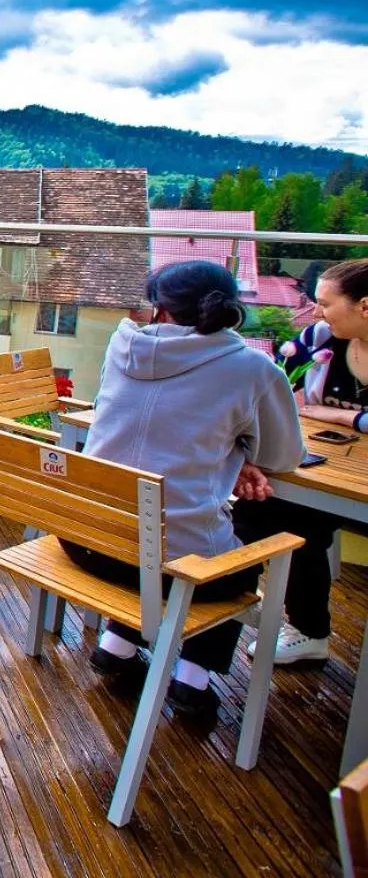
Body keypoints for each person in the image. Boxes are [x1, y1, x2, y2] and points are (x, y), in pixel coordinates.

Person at [63, 260, 303, 716]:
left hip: (86, 542)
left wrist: (233, 457)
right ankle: (194, 677)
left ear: (160, 309)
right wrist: (242, 455)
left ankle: (117, 644)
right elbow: (282, 457)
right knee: (237, 542)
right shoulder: (252, 369)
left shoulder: (122, 345)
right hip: (165, 569)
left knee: (146, 520)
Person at [234, 257, 368, 665]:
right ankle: (299, 626)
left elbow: (310, 408)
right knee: (260, 507)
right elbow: (280, 390)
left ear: (365, 306)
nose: (314, 311)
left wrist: (337, 415)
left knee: (299, 520)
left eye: (325, 303)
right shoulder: (319, 339)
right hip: (331, 467)